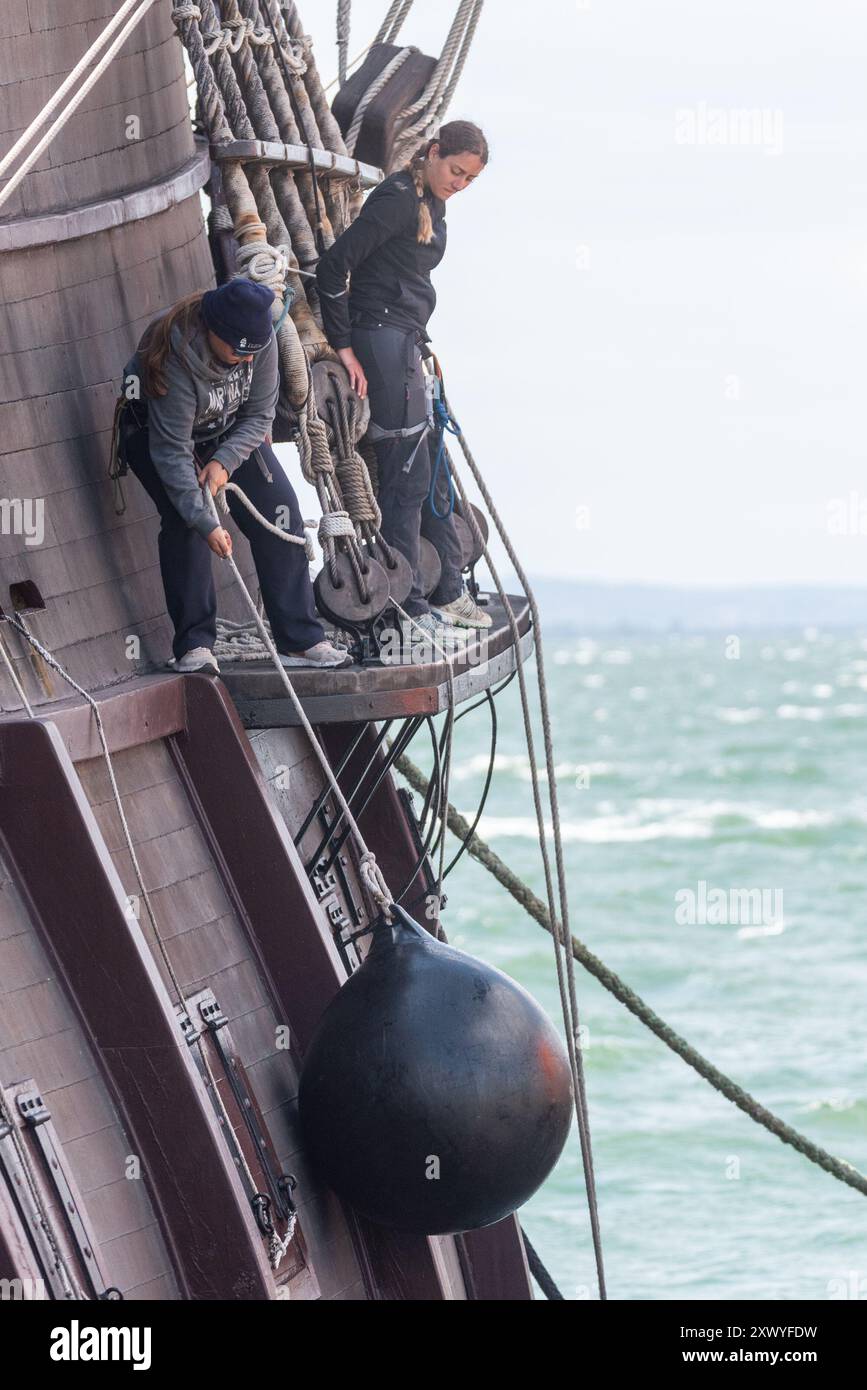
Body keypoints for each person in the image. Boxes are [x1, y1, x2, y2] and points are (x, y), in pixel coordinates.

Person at [315, 120, 492, 642]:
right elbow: (334, 267)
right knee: (405, 475)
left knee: (433, 467)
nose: (458, 184)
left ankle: (447, 592)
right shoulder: (396, 199)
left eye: (469, 180)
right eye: (454, 170)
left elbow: (405, 277)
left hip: (407, 340)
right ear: (434, 152)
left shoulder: (430, 202)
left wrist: (422, 345)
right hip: (380, 339)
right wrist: (344, 344)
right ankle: (408, 607)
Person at [120, 280, 348, 673]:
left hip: (226, 429)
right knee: (184, 521)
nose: (246, 361)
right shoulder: (175, 354)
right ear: (213, 331)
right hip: (158, 434)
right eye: (235, 353)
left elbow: (260, 413)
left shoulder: (260, 337)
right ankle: (194, 645)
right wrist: (208, 523)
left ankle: (300, 639)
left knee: (280, 510)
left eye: (251, 353)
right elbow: (171, 452)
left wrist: (225, 461)